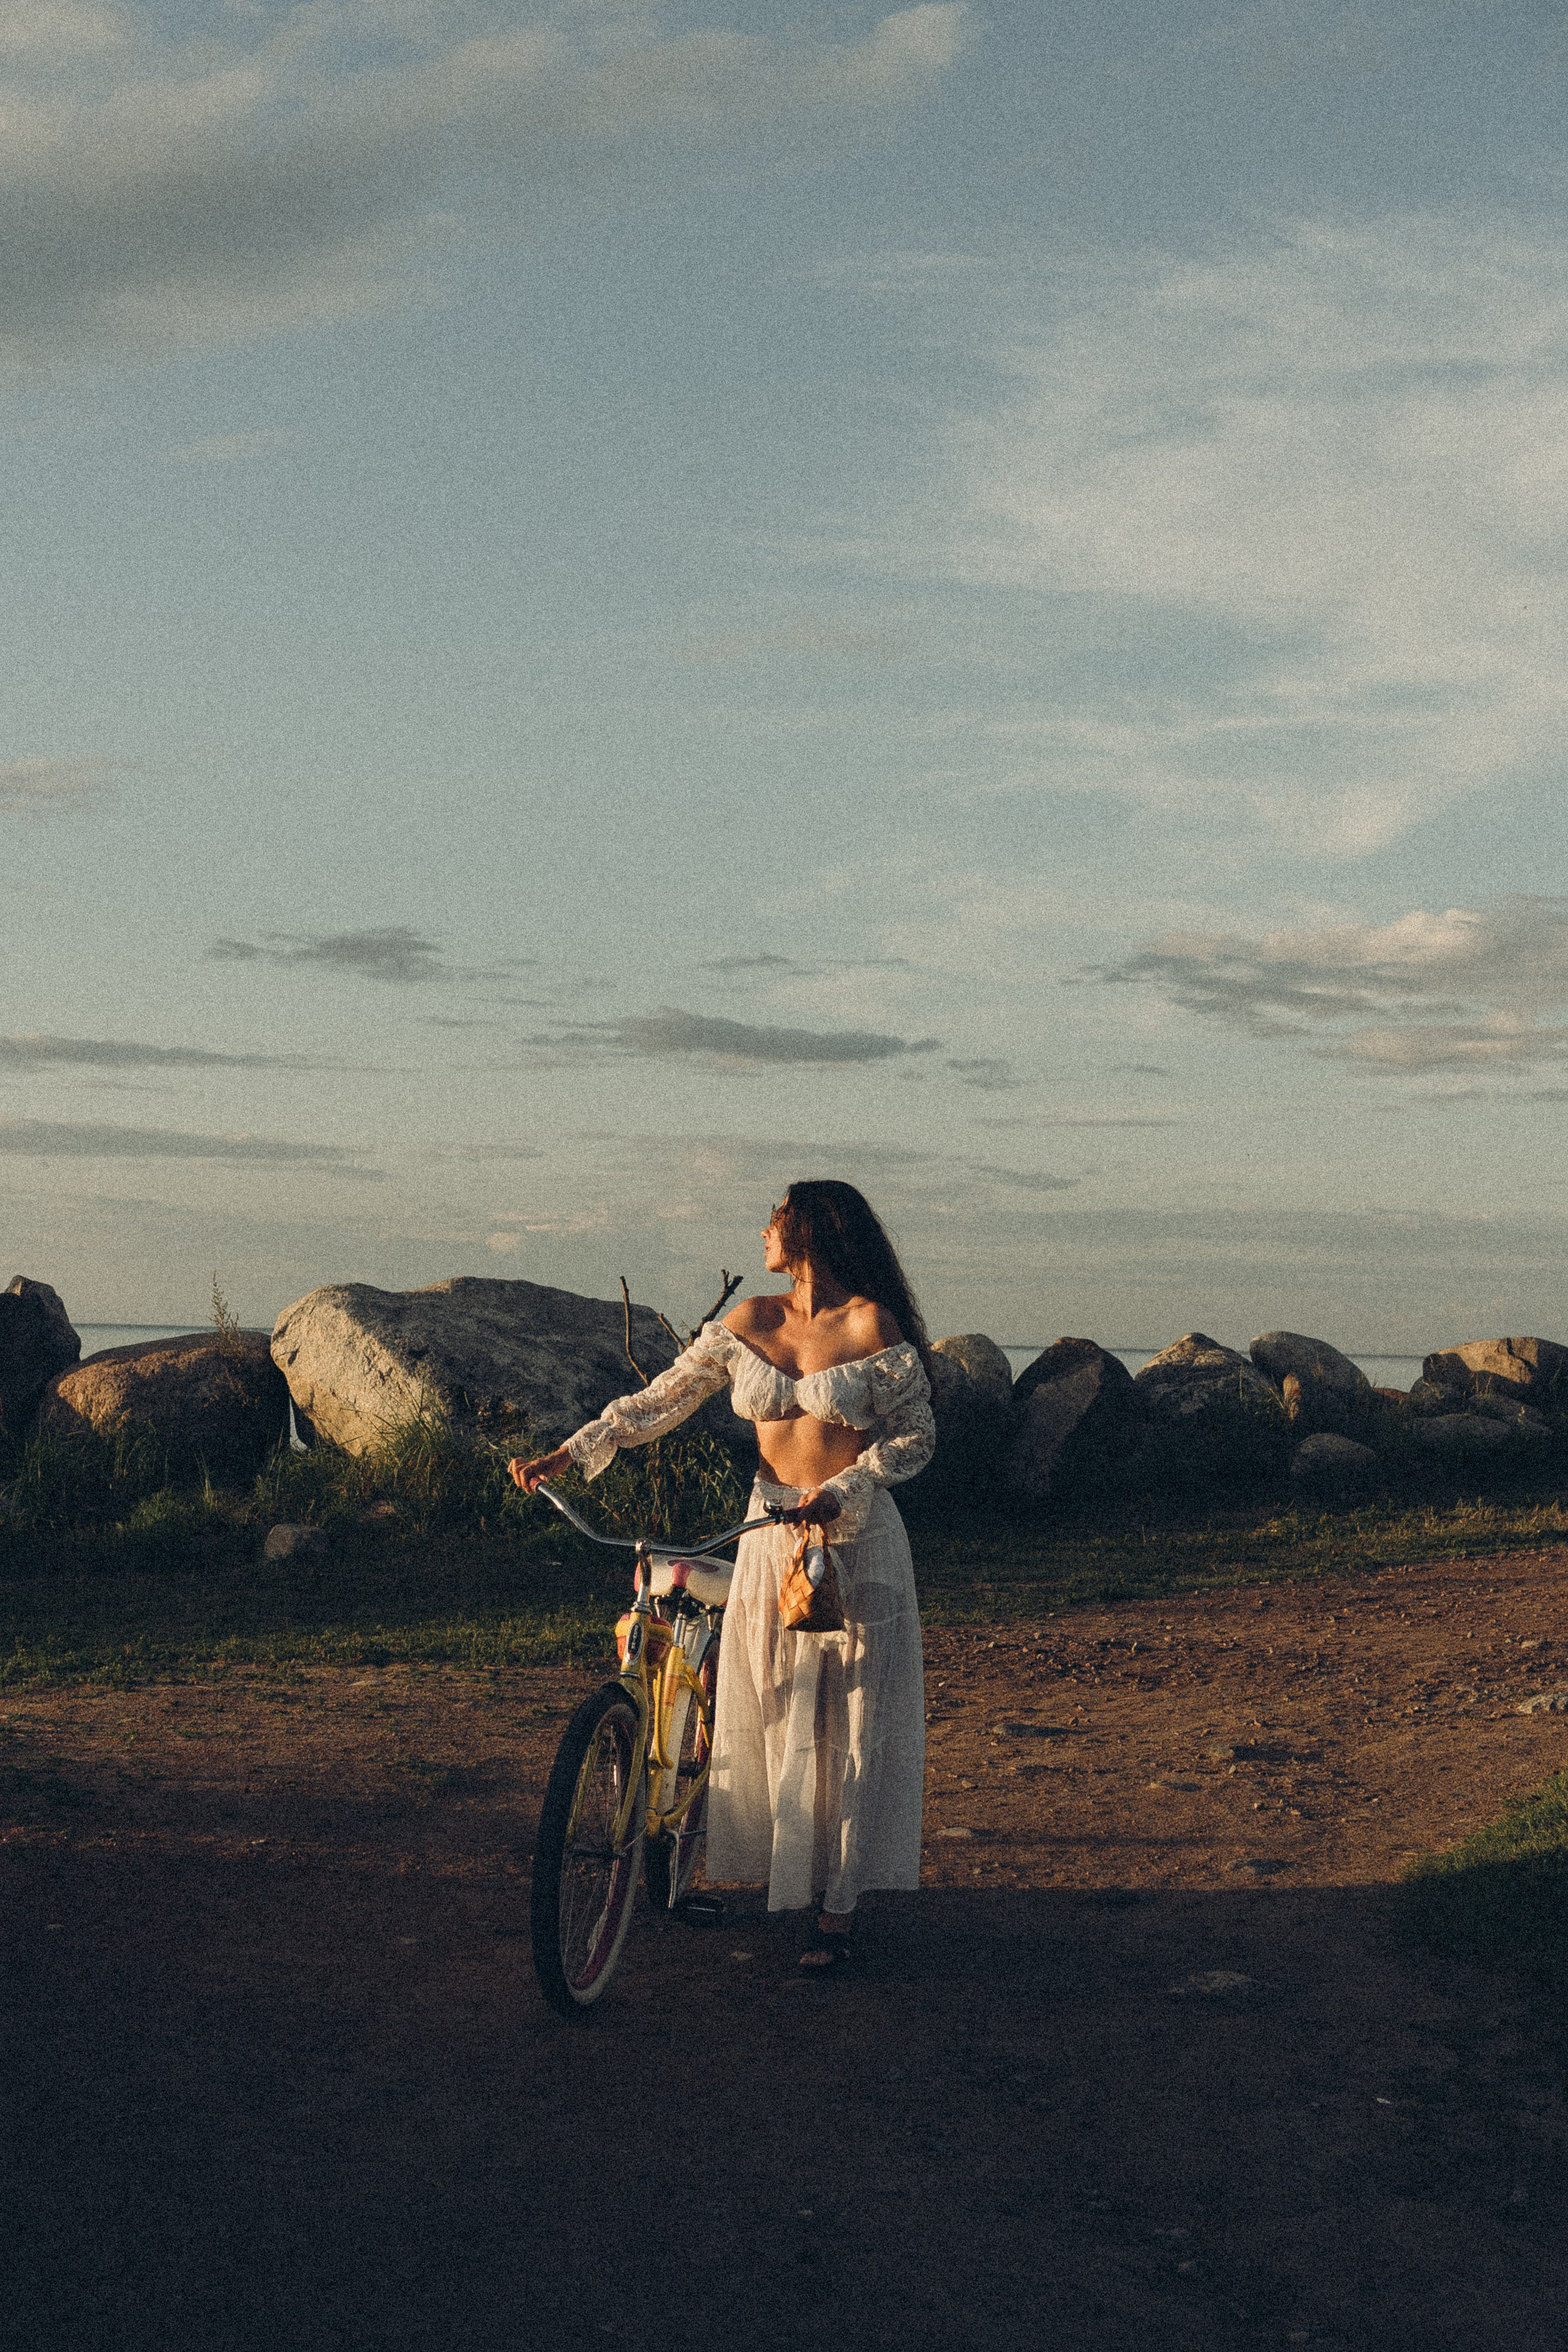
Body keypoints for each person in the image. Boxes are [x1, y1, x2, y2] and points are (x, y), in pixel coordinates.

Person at [510, 1178, 935, 1972]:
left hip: (858, 1540)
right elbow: (657, 1402)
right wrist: (569, 1452)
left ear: (808, 1230)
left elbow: (915, 1438)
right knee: (771, 1708)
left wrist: (846, 1486)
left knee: (854, 1727)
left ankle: (839, 1911)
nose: (765, 1232)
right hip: (768, 1536)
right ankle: (790, 1874)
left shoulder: (871, 1325)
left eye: (776, 1219)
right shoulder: (749, 1322)